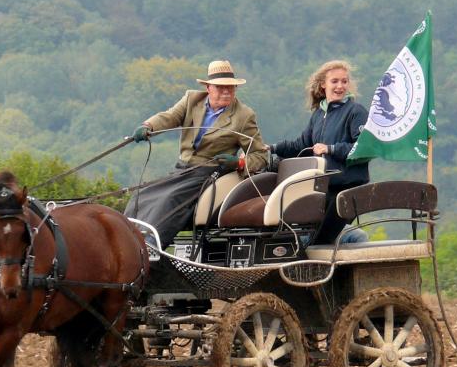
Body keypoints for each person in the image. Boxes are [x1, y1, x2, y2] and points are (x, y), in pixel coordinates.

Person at [125, 60, 270, 248]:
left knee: (172, 198)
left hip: (208, 172)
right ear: (208, 87)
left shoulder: (243, 115)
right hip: (182, 169)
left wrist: (239, 163)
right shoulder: (192, 100)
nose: (227, 92)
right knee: (141, 194)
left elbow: (260, 155)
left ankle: (153, 243)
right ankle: (127, 236)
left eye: (231, 88)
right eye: (221, 87)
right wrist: (148, 126)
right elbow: (169, 117)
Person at [271, 60, 370, 245]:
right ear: (323, 84)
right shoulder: (318, 115)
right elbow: (301, 145)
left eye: (344, 81)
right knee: (308, 234)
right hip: (323, 189)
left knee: (318, 241)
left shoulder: (356, 111)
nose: (340, 86)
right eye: (335, 81)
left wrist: (330, 149)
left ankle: (319, 269)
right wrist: (272, 148)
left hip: (347, 191)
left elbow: (364, 148)